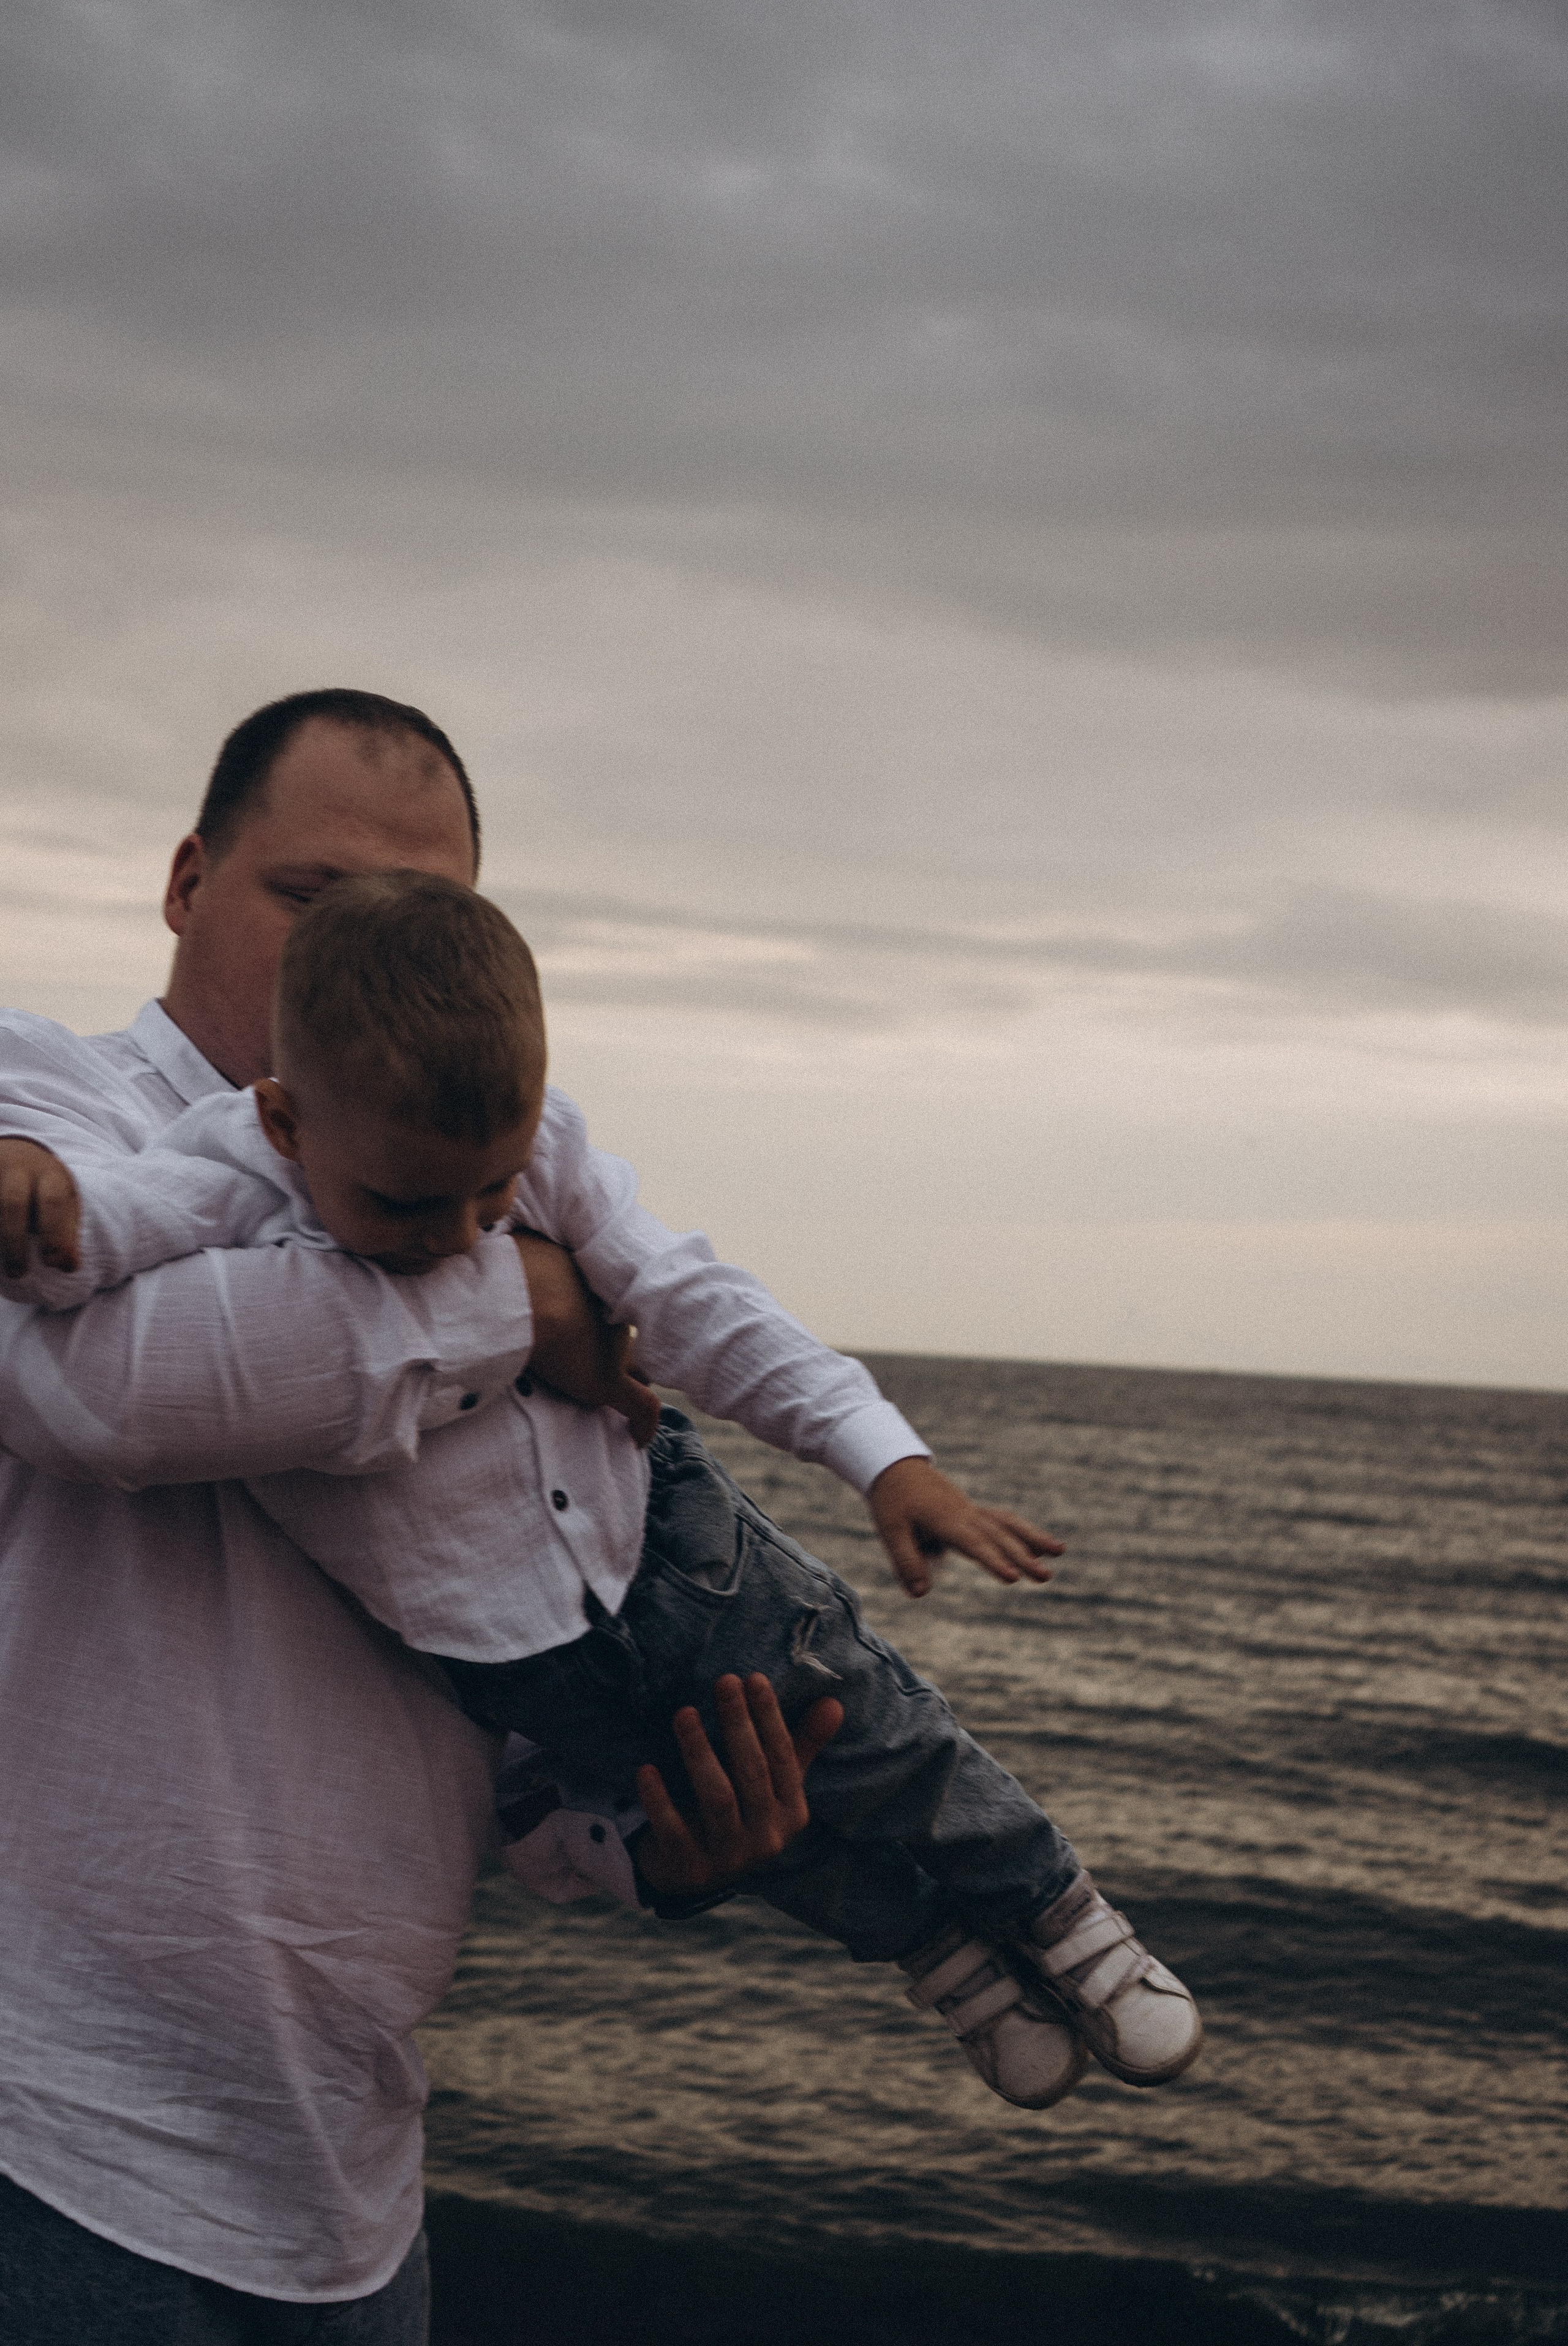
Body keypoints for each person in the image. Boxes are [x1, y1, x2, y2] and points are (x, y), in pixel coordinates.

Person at [4, 862, 1204, 2121]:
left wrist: (880, 1452)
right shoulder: (233, 1167)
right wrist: (28, 1172)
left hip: (667, 1547)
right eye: (408, 1205)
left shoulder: (541, 1149)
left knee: (870, 1734)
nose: (461, 1237)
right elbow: (101, 1247)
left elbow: (688, 1298)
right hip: (498, 1650)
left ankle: (1068, 1921)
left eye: (492, 1192)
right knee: (758, 1825)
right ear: (289, 1122)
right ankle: (952, 1969)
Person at [0, 692, 844, 2346]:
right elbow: (104, 1391)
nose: (361, 948)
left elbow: (507, 1705)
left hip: (357, 2210)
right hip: (51, 2150)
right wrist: (521, 1308)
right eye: (310, 897)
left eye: (426, 916)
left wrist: (646, 1846)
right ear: (186, 882)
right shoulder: (49, 1107)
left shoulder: (481, 1196)